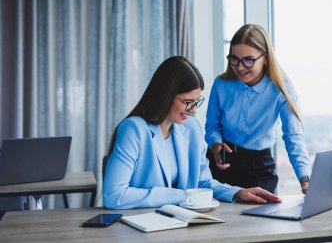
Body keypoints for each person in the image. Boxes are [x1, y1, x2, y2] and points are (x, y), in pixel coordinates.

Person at [103, 56, 281, 209]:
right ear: (165, 96)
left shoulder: (191, 128)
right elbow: (114, 195)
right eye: (187, 102)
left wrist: (238, 192)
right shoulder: (134, 129)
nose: (194, 110)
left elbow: (202, 182)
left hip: (181, 221)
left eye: (196, 101)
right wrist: (181, 196)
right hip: (142, 225)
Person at [205, 24, 311, 194]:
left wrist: (305, 178)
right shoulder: (221, 85)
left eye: (248, 60)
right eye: (234, 59)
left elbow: (293, 136)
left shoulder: (282, 89)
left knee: (259, 219)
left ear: (266, 58)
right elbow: (212, 125)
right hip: (221, 163)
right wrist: (216, 143)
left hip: (258, 168)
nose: (240, 67)